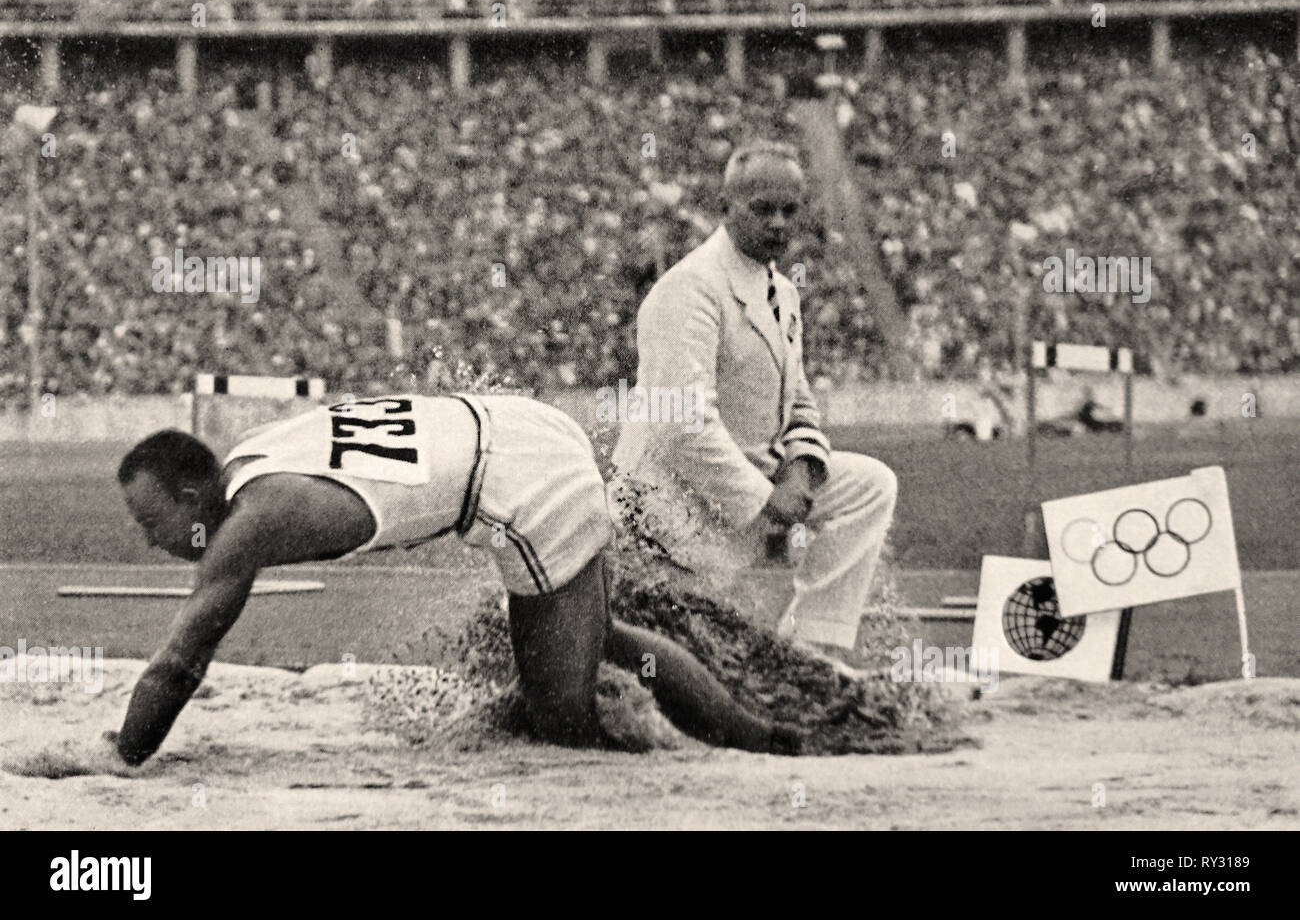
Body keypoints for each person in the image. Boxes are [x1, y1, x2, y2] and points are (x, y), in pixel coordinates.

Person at [102, 392, 801, 766]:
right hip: (520, 424)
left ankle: (653, 768)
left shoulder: (251, 521)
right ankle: (759, 736)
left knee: (561, 721)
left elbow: (178, 664)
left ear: (192, 499)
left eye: (150, 521)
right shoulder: (256, 455)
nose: (150, 541)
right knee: (602, 635)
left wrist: (116, 755)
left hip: (524, 488)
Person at [610, 141, 898, 673]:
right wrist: (764, 503)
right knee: (679, 668)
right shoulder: (689, 288)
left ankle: (813, 652)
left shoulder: (783, 292)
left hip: (750, 482)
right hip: (669, 508)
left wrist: (803, 471)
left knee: (869, 486)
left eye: (791, 210)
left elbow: (800, 399)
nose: (779, 223)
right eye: (762, 208)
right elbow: (680, 426)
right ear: (725, 205)